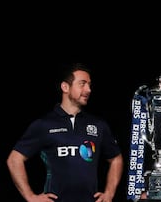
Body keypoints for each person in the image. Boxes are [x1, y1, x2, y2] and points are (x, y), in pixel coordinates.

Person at [7, 63, 124, 202]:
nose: (88, 89)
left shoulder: (98, 125)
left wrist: (109, 193)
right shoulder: (44, 124)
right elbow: (14, 160)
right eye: (82, 84)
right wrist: (30, 196)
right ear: (65, 87)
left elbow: (116, 158)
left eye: (89, 85)